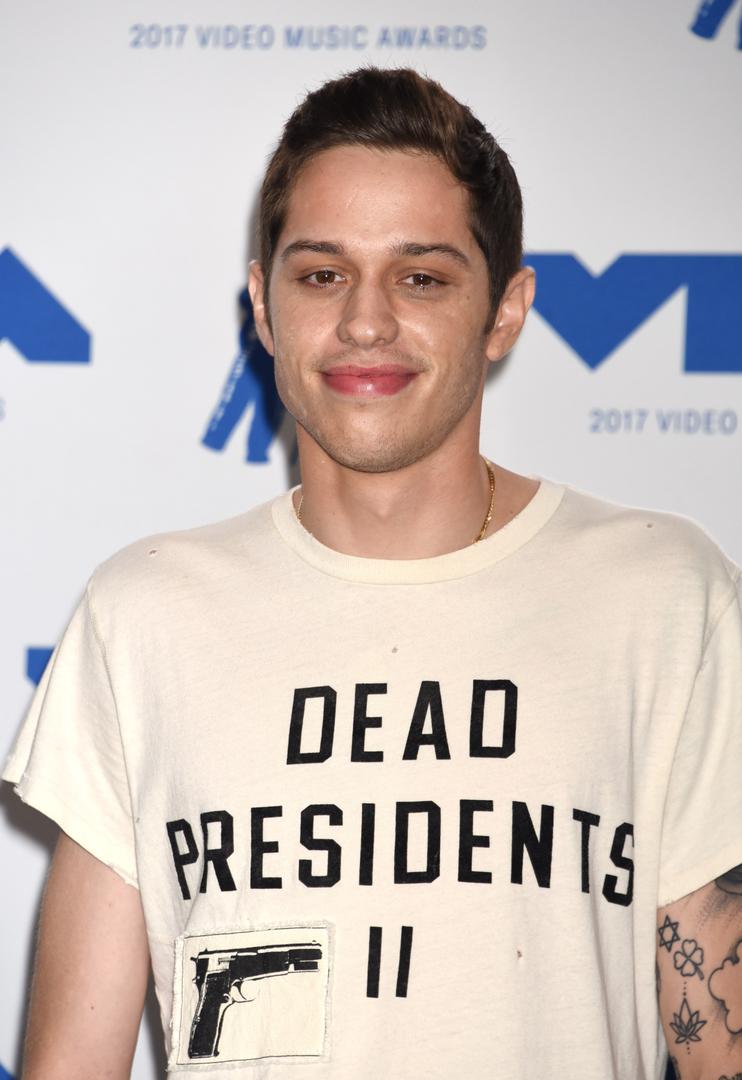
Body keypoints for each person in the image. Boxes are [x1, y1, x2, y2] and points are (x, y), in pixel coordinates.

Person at [3, 66, 741, 1080]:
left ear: (506, 311)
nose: (364, 321)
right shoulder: (143, 614)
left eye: (421, 277)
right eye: (321, 274)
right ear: (263, 306)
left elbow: (719, 1040)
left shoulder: (662, 595)